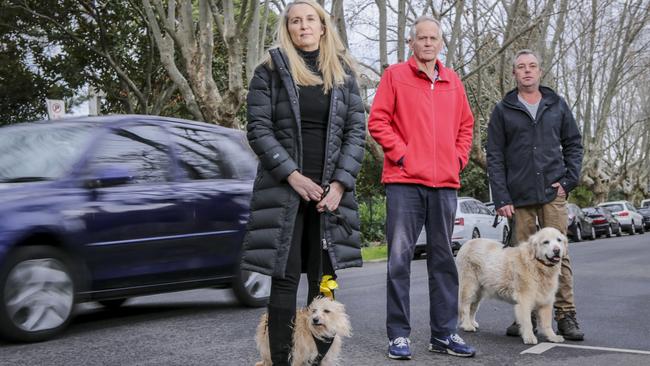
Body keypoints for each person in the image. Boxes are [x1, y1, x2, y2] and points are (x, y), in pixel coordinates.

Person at [241, 0, 366, 364]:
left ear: (323, 26)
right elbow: (258, 129)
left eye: (310, 19)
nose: (303, 26)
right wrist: (293, 177)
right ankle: (280, 359)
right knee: (283, 279)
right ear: (288, 29)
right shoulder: (269, 71)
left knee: (323, 280)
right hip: (284, 193)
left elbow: (356, 131)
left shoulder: (343, 73)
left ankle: (318, 360)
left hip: (330, 197)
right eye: (295, 21)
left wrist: (340, 184)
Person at [368, 15, 476, 360]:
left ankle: (444, 334)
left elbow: (466, 126)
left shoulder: (454, 81)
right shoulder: (395, 76)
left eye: (433, 38)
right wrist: (403, 156)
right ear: (411, 43)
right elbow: (378, 121)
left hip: (444, 185)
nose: (428, 43)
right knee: (399, 260)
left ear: (441, 43)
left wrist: (457, 160)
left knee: (443, 261)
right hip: (404, 184)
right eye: (422, 38)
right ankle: (398, 335)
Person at [486, 49, 585, 341]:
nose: (527, 71)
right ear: (514, 74)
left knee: (559, 255)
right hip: (518, 197)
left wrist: (569, 180)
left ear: (540, 72)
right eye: (521, 67)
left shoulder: (556, 104)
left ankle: (566, 315)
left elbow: (573, 144)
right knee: (522, 260)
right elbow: (494, 156)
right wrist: (502, 197)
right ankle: (525, 317)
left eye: (532, 66)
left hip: (553, 192)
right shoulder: (503, 110)